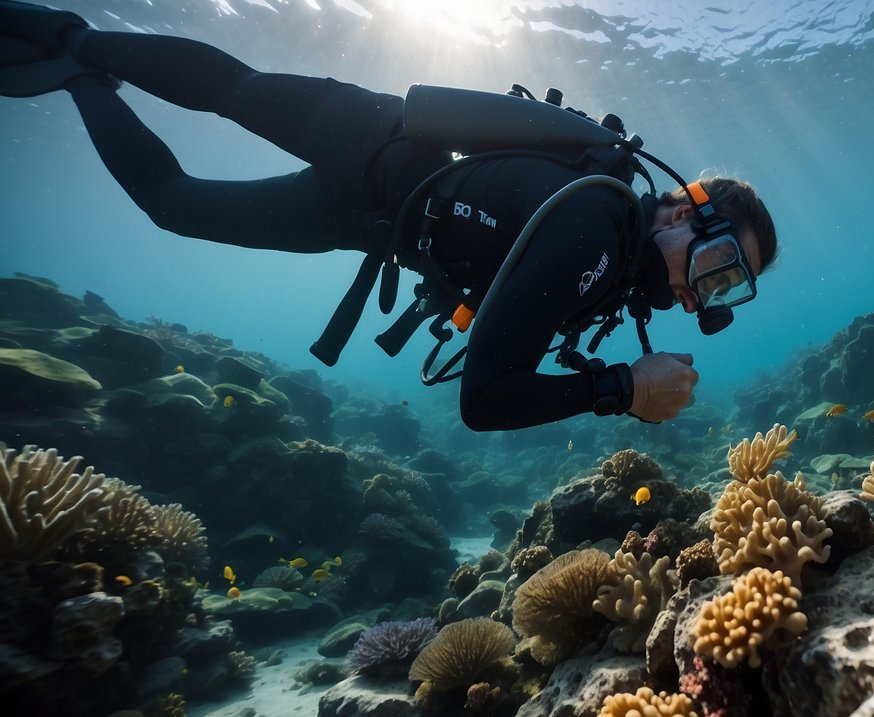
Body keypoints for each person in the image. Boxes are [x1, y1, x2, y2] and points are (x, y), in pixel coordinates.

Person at [0, 1, 778, 431]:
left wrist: (621, 379)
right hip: (370, 137)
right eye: (716, 268)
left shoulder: (607, 269)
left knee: (174, 207)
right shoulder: (593, 228)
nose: (697, 296)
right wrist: (620, 389)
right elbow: (485, 400)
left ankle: (78, 81)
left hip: (367, 221)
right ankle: (77, 38)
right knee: (230, 90)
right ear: (679, 209)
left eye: (722, 292)